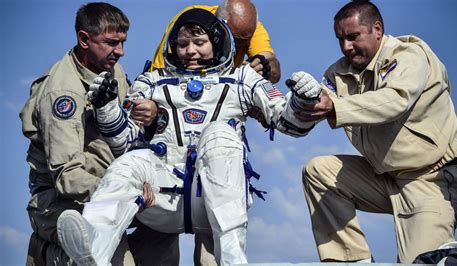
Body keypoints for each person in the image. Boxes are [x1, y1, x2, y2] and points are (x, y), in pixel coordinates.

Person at [56, 8, 320, 266]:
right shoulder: (151, 81)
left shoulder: (242, 79)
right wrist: (107, 108)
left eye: (199, 42)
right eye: (182, 44)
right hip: (161, 196)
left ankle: (232, 258)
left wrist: (302, 101)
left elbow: (287, 122)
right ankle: (94, 246)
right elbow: (123, 140)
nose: (190, 51)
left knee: (219, 134)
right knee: (128, 164)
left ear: (216, 42)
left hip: (212, 197)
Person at [291, 0, 457, 263]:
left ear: (377, 29)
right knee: (319, 170)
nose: (346, 47)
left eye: (353, 37)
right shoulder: (338, 73)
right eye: (340, 39)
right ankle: (352, 260)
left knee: (422, 262)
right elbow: (312, 111)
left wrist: (334, 106)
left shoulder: (410, 55)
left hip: (433, 181)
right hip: (385, 177)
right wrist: (296, 105)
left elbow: (396, 100)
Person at [19, 2, 177, 265]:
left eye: (123, 42)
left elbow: (126, 128)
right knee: (112, 257)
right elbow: (68, 178)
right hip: (63, 203)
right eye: (112, 42)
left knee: (166, 229)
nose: (121, 51)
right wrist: (125, 189)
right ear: (84, 39)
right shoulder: (63, 94)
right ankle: (56, 256)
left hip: (112, 191)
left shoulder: (108, 69)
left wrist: (151, 117)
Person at [150, 0, 281, 84]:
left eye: (242, 42)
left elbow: (272, 66)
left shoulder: (250, 28)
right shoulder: (189, 20)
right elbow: (162, 74)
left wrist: (264, 68)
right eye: (232, 39)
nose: (235, 47)